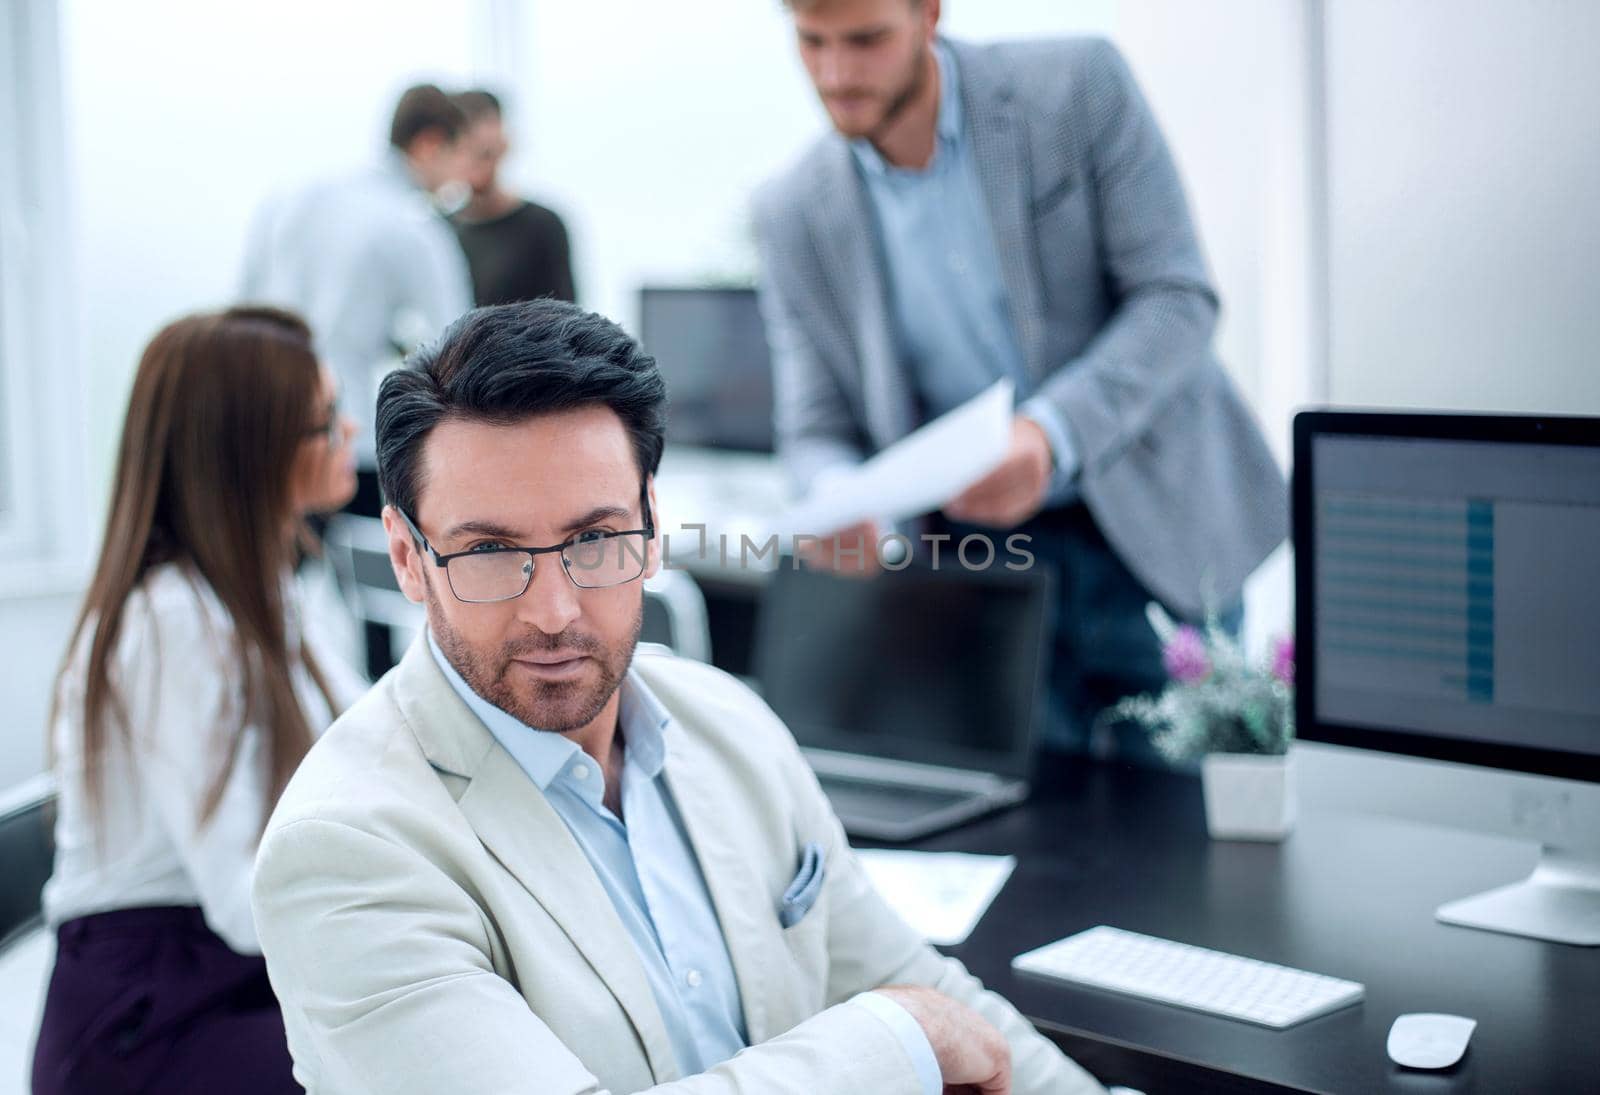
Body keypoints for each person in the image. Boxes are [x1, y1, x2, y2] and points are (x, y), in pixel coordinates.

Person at [249, 300, 1106, 1094]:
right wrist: (894, 1039)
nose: (554, 610)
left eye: (594, 538)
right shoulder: (343, 849)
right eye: (487, 552)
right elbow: (912, 1015)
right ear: (406, 556)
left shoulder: (728, 722)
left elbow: (912, 977)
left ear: (652, 527)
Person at [753, 0, 1287, 766]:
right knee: (1023, 849)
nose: (837, 74)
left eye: (866, 40)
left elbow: (1177, 298)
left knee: (1184, 842)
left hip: (1150, 535)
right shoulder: (791, 210)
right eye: (813, 43)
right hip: (978, 574)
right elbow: (814, 426)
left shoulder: (1075, 87)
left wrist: (1048, 434)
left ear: (928, 14)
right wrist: (843, 497)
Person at [33, 307, 367, 1095]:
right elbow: (242, 899)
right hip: (148, 1018)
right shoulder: (173, 623)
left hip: (219, 977)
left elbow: (374, 748)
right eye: (324, 418)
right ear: (251, 454)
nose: (350, 429)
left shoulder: (271, 591)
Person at [240, 83, 474, 519]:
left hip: (264, 424)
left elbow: (249, 306)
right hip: (344, 439)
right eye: (459, 160)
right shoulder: (413, 223)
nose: (461, 182)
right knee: (363, 575)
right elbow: (458, 341)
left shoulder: (296, 196)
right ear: (430, 145)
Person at [450, 89, 577, 307]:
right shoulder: (441, 230)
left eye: (486, 152)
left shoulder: (543, 227)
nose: (477, 163)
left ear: (504, 145)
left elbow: (567, 323)